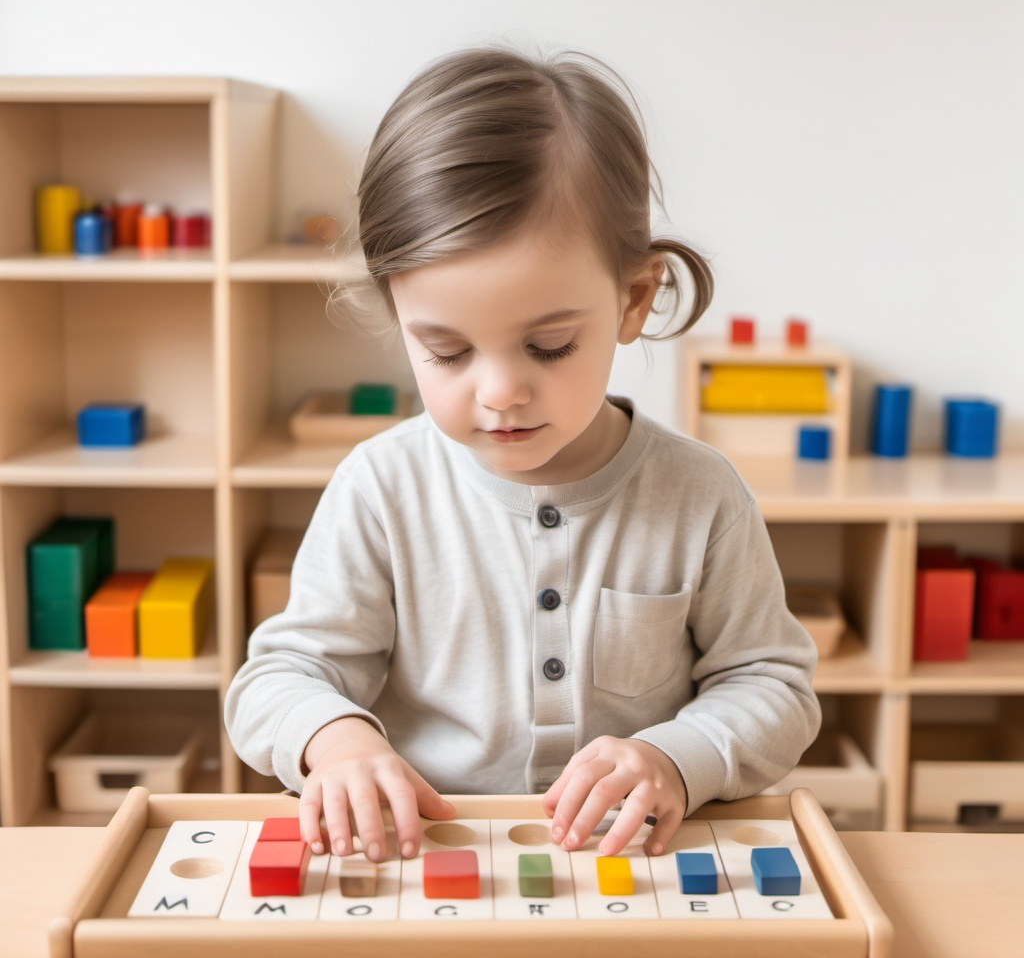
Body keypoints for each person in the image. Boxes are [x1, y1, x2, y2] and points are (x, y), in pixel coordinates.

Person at [225, 43, 821, 868]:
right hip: (430, 864)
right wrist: (335, 742)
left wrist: (678, 758)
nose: (500, 391)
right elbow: (274, 680)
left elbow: (775, 687)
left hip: (628, 868)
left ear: (634, 299)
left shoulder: (699, 493)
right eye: (445, 350)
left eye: (547, 345)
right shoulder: (381, 486)